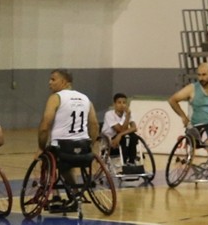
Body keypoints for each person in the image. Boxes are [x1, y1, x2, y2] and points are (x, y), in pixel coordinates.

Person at [37, 69, 99, 213]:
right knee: (69, 163)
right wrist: (91, 144)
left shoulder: (56, 98)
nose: (49, 82)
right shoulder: (85, 98)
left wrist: (41, 147)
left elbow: (45, 125)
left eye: (53, 79)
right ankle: (75, 194)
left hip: (62, 148)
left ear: (64, 82)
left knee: (48, 160)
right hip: (83, 148)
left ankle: (56, 195)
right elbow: (94, 124)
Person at [101, 92, 142, 171]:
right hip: (110, 141)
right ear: (114, 104)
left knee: (133, 136)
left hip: (120, 138)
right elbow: (120, 129)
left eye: (124, 103)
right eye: (119, 102)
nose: (122, 105)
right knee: (126, 137)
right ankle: (125, 161)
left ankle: (131, 161)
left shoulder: (128, 114)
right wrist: (127, 118)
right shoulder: (109, 114)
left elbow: (134, 128)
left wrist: (120, 135)